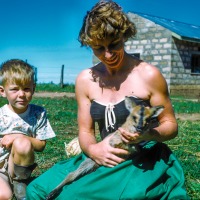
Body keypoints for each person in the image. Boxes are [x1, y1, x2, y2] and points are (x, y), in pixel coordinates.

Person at [26, 1, 189, 199]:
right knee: (37, 190)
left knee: (78, 196)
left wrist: (148, 134)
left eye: (114, 45)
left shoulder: (148, 74)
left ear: (124, 36)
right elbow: (86, 131)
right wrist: (94, 149)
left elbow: (170, 125)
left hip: (140, 156)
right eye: (98, 48)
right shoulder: (86, 79)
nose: (108, 54)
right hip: (101, 153)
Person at [0, 59, 56, 200]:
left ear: (33, 89)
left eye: (26, 88)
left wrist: (17, 136)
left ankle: (21, 184)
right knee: (4, 196)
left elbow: (41, 145)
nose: (21, 94)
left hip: (18, 166)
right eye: (14, 89)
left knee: (22, 142)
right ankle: (7, 185)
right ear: (2, 91)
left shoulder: (38, 113)